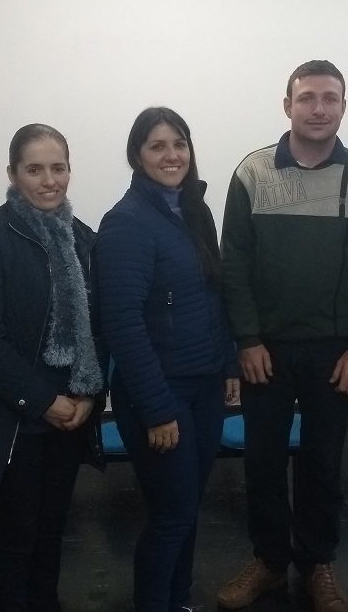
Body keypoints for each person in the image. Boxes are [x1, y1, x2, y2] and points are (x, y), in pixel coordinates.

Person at [218, 60, 348, 612]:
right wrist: (246, 339)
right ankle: (270, 562)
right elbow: (233, 264)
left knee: (324, 464)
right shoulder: (252, 172)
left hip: (336, 353)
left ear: (343, 106)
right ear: (287, 105)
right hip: (265, 351)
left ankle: (318, 562)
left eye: (330, 98)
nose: (319, 109)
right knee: (262, 463)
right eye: (308, 98)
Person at [0, 124, 106, 611]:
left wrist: (86, 396)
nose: (49, 180)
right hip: (13, 417)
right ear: (13, 174)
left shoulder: (82, 238)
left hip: (71, 412)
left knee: (52, 529)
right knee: (16, 535)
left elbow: (99, 330)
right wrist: (43, 401)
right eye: (34, 169)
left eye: (58, 168)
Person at [95, 107, 240, 612]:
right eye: (157, 146)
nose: (171, 155)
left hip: (204, 385)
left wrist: (228, 363)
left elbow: (214, 294)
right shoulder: (125, 223)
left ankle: (179, 601)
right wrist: (157, 409)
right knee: (171, 515)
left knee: (187, 508)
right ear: (137, 155)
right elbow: (123, 325)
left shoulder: (194, 210)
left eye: (179, 143)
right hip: (159, 394)